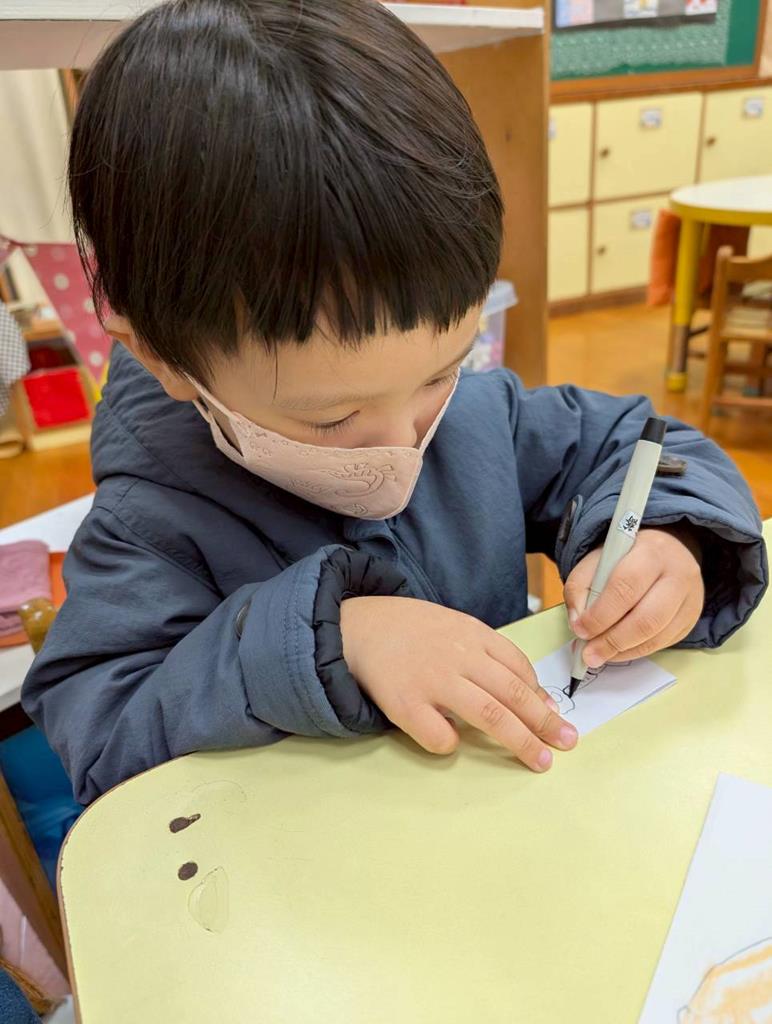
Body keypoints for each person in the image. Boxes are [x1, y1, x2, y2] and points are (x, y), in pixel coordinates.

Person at [22, 0, 767, 805]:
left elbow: (633, 444)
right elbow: (103, 736)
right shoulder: (151, 526)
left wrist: (672, 540)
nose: (402, 444)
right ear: (162, 358)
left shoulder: (479, 419)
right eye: (332, 418)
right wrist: (327, 641)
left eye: (443, 371)